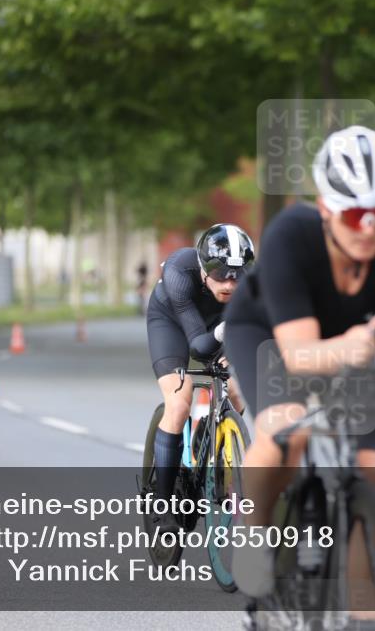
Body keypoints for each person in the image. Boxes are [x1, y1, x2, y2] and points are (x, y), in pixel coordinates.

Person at [224, 125, 375, 600]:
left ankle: (365, 611)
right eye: (355, 213)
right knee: (287, 430)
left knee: (372, 471)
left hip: (357, 347)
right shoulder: (290, 235)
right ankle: (253, 530)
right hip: (268, 332)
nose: (368, 228)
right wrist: (353, 344)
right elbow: (299, 356)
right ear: (325, 206)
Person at [146, 223, 255, 533]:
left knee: (236, 389)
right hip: (171, 322)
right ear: (204, 268)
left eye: (238, 276)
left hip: (219, 324)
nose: (230, 284)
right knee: (181, 400)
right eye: (221, 274)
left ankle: (215, 442)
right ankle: (163, 506)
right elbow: (198, 346)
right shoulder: (180, 272)